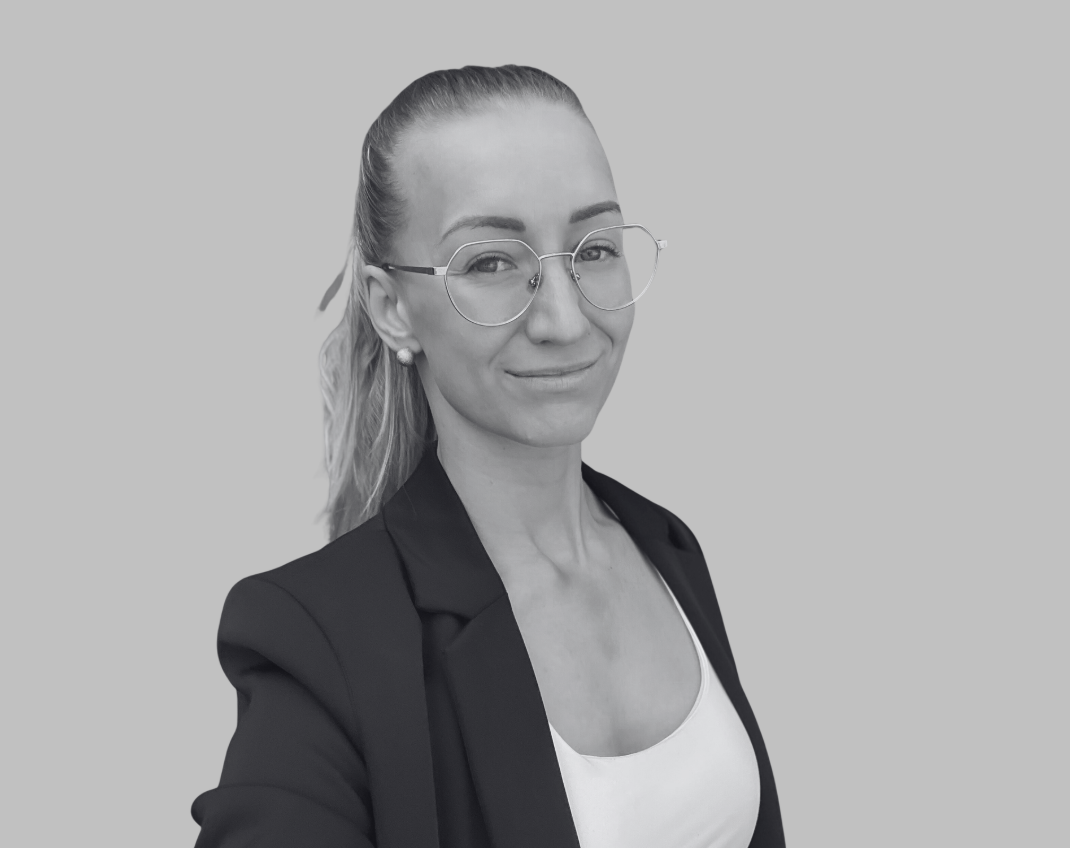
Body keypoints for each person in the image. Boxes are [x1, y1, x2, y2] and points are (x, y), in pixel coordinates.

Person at [191, 65, 786, 848]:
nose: (566, 319)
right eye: (492, 263)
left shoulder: (665, 546)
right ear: (390, 306)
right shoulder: (319, 638)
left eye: (594, 248)